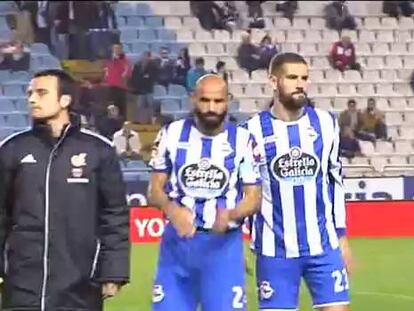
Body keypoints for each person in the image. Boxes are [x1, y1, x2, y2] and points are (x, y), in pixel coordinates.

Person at [0, 69, 129, 310]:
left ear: (65, 100)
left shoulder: (98, 150)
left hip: (80, 283)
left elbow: (114, 215)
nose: (31, 99)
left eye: (41, 93)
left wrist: (113, 271)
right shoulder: (12, 149)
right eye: (30, 93)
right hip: (22, 283)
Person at [243, 53, 352, 311]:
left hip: (323, 247)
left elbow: (335, 181)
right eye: (292, 77)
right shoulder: (252, 131)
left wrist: (342, 236)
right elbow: (245, 192)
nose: (300, 83)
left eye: (304, 77)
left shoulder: (325, 123)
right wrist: (238, 240)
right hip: (275, 251)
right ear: (273, 81)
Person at [148, 74, 262, 311]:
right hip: (177, 247)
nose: (212, 108)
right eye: (205, 100)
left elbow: (254, 197)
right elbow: (154, 189)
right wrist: (171, 209)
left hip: (223, 248)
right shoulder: (171, 134)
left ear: (227, 101)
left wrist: (231, 214)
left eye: (218, 101)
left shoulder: (243, 141)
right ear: (193, 99)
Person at [129, 51, 159, 124]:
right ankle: (139, 120)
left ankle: (152, 120)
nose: (145, 57)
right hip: (141, 89)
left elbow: (154, 76)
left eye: (147, 56)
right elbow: (135, 76)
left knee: (151, 106)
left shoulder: (153, 65)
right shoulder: (138, 65)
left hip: (149, 89)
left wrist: (148, 77)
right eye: (144, 56)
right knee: (140, 106)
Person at [103, 43, 132, 119]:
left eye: (118, 49)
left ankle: (122, 124)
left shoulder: (125, 61)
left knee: (121, 107)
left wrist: (117, 60)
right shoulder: (109, 61)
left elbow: (127, 73)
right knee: (111, 106)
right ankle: (111, 122)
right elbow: (106, 72)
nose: (116, 51)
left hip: (120, 87)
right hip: (110, 87)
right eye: (115, 49)